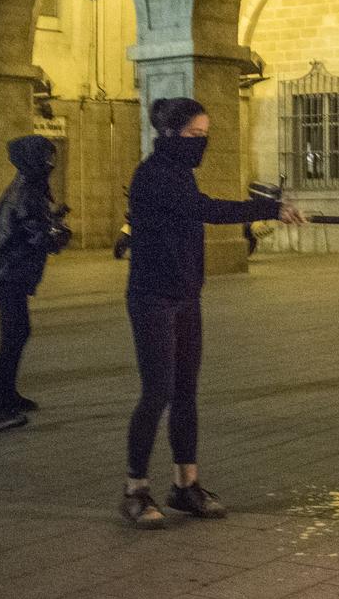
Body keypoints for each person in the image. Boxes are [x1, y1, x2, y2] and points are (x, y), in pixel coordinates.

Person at [119, 96, 299, 527]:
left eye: (205, 135)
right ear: (168, 135)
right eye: (194, 135)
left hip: (185, 294)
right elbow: (207, 210)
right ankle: (135, 489)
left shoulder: (179, 174)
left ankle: (185, 485)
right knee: (157, 392)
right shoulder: (153, 176)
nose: (201, 143)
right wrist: (268, 208)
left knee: (185, 392)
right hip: (152, 296)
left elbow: (197, 211)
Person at [0, 137, 71, 431]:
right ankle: (0, 409)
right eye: (44, 158)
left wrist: (52, 219)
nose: (50, 164)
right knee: (12, 338)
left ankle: (10, 395)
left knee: (18, 334)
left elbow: (32, 223)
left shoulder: (28, 188)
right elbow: (37, 234)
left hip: (11, 274)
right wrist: (59, 235)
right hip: (8, 275)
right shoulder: (25, 192)